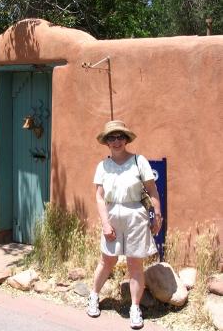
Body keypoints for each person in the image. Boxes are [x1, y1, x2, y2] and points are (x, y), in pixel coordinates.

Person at [87, 120, 162, 330]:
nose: (116, 141)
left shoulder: (139, 161)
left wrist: (157, 214)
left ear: (126, 139)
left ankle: (135, 308)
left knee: (135, 264)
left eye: (120, 136)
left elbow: (152, 190)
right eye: (112, 137)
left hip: (135, 215)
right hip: (111, 215)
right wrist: (104, 223)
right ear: (106, 142)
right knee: (107, 260)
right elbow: (100, 197)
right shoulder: (103, 166)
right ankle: (94, 296)